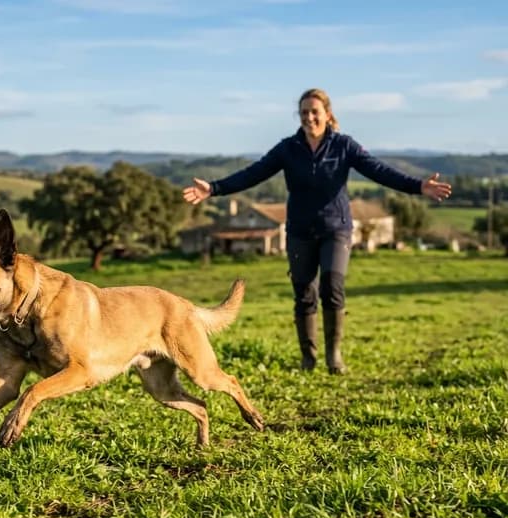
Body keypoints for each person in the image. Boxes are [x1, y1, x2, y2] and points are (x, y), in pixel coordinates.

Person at [182, 88, 452, 374]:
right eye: (304, 113)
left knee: (332, 286)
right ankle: (308, 359)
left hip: (336, 228)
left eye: (314, 112)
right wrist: (214, 188)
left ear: (328, 114)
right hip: (299, 230)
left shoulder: (344, 146)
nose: (309, 117)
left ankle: (334, 356)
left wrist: (418, 186)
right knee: (304, 293)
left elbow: (379, 170)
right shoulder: (288, 148)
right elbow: (253, 173)